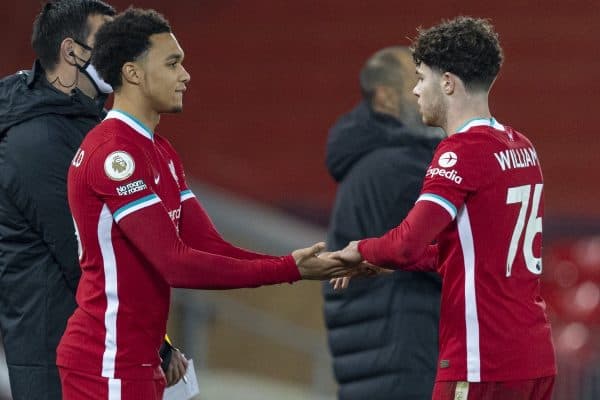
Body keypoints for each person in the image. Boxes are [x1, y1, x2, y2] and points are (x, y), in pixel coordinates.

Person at [56, 8, 356, 399]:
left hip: (139, 360)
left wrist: (296, 265)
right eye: (172, 63)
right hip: (105, 363)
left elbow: (209, 246)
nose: (186, 75)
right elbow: (176, 263)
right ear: (133, 73)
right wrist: (289, 269)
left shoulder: (160, 151)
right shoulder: (116, 155)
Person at [331, 17, 557, 400]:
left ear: (448, 83)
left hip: (481, 363)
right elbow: (472, 252)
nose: (416, 90)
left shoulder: (460, 151)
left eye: (421, 77)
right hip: (535, 359)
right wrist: (392, 262)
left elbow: (406, 242)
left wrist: (362, 249)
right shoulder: (522, 146)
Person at [0, 2, 187, 399]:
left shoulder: (87, 125)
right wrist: (159, 345)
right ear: (71, 52)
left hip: (103, 348)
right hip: (57, 362)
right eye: (106, 42)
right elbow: (84, 256)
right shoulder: (37, 141)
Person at [322, 46, 442, 399]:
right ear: (387, 96)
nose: (425, 92)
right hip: (404, 359)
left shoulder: (370, 163)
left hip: (379, 362)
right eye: (416, 82)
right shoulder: (400, 168)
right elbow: (452, 253)